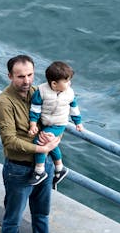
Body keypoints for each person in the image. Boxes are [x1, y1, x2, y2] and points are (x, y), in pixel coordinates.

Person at [0, 55, 63, 233]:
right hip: (18, 169)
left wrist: (51, 137)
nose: (26, 80)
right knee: (12, 219)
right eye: (21, 76)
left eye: (30, 75)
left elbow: (56, 119)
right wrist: (40, 147)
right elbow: (9, 141)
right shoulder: (3, 103)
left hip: (45, 165)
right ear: (10, 76)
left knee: (41, 214)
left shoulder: (40, 93)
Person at [28, 61, 84, 189]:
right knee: (50, 142)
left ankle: (39, 171)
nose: (69, 83)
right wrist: (33, 124)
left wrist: (78, 123)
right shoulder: (41, 91)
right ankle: (59, 169)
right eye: (66, 81)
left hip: (59, 124)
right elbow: (35, 109)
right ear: (54, 83)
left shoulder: (69, 93)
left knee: (41, 141)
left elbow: (74, 108)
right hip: (45, 122)